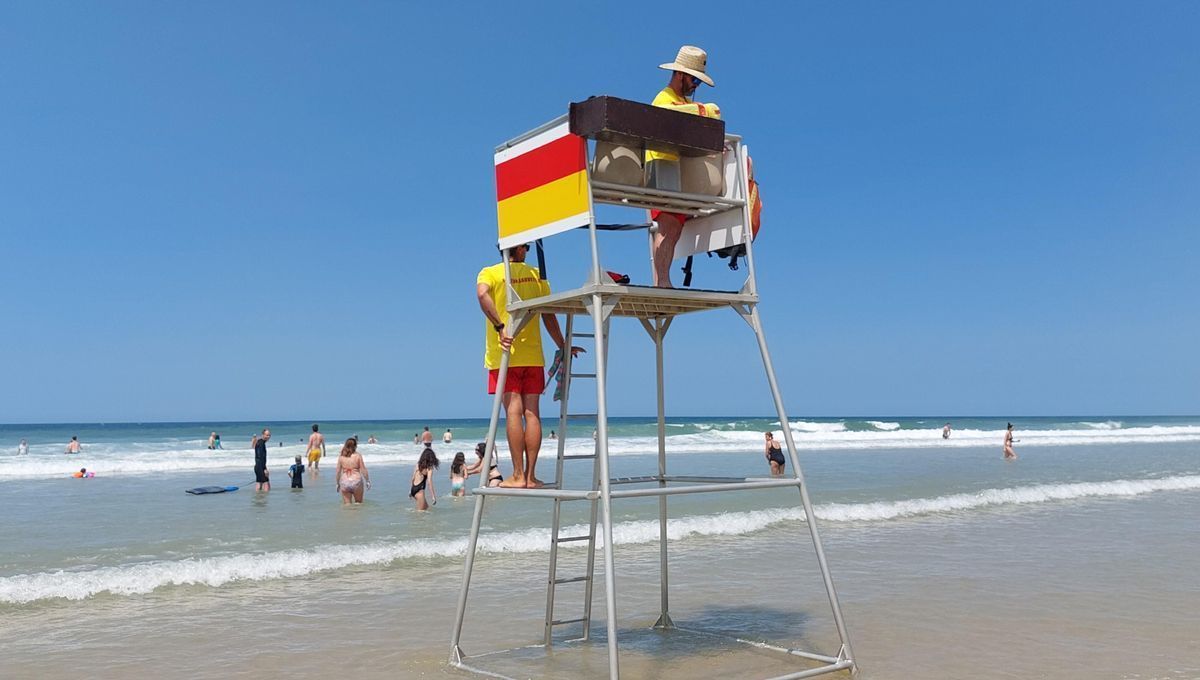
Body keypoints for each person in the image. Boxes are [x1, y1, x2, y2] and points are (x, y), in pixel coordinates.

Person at [477, 243, 580, 488]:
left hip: (505, 354)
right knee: (532, 412)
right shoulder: (537, 276)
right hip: (533, 355)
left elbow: (482, 294)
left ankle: (518, 475)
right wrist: (563, 345)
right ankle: (531, 477)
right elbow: (548, 315)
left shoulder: (490, 272)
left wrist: (500, 326)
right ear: (520, 249)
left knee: (513, 411)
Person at [647, 45, 719, 287]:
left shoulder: (680, 102)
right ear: (680, 74)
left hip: (673, 169)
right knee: (668, 226)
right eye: (694, 79)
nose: (695, 85)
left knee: (673, 227)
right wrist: (706, 110)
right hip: (661, 167)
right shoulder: (664, 99)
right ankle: (663, 282)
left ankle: (663, 281)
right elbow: (667, 113)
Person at [335, 437, 370, 504]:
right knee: (358, 503)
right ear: (355, 446)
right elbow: (363, 469)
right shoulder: (358, 456)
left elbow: (338, 471)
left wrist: (337, 483)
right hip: (356, 481)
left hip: (345, 481)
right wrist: (367, 481)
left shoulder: (341, 457)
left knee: (347, 505)